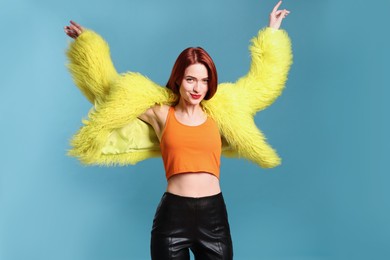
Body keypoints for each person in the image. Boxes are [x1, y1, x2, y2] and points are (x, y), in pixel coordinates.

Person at [64, 1, 291, 259]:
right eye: (191, 79)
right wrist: (87, 45)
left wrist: (272, 32)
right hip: (173, 218)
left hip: (213, 218)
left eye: (204, 80)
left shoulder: (222, 112)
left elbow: (260, 84)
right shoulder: (161, 114)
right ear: (178, 79)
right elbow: (112, 90)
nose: (197, 88)